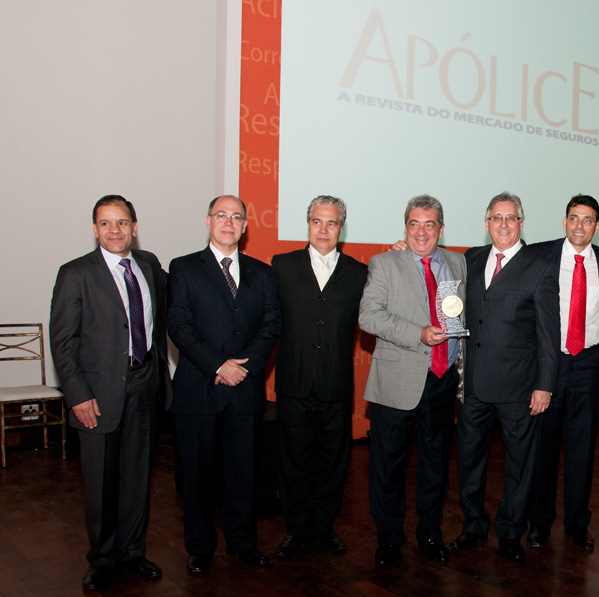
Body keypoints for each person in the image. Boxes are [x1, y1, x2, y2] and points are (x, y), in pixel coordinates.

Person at [50, 195, 171, 592]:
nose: (114, 230)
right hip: (97, 396)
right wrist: (77, 396)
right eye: (105, 223)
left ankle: (133, 553)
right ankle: (102, 561)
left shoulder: (149, 265)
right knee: (101, 484)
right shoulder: (75, 274)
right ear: (94, 229)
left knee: (137, 479)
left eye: (122, 222)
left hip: (144, 387)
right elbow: (63, 343)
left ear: (134, 227)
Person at [168, 194, 281, 576]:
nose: (229, 223)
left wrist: (243, 368)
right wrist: (218, 365)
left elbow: (271, 325)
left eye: (236, 217)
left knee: (243, 473)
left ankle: (242, 544)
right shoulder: (183, 268)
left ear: (246, 226)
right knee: (197, 475)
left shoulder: (262, 273)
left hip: (245, 390)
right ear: (208, 221)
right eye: (222, 215)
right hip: (199, 389)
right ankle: (200, 549)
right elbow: (179, 325)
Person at [450, 192, 559, 561]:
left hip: (519, 388)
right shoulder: (471, 259)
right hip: (474, 386)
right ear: (487, 223)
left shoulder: (539, 267)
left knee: (520, 465)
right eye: (496, 217)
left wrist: (545, 385)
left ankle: (511, 532)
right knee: (469, 460)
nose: (503, 224)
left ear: (521, 223)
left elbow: (549, 333)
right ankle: (473, 526)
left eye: (511, 218)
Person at [359, 195, 463, 567]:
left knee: (435, 466)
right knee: (388, 468)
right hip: (396, 382)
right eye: (414, 224)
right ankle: (389, 540)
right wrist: (416, 333)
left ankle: (430, 534)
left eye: (429, 224)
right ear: (405, 227)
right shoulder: (384, 263)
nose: (421, 232)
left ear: (441, 229)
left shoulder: (458, 263)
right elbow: (369, 317)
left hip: (442, 381)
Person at [271, 195, 365, 560]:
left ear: (342, 228)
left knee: (333, 464)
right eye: (317, 221)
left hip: (336, 386)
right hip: (293, 384)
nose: (323, 229)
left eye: (332, 223)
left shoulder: (359, 273)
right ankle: (296, 531)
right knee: (293, 462)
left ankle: (325, 529)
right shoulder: (282, 266)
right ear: (308, 224)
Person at [526, 195, 599, 553]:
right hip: (550, 364)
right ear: (565, 221)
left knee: (583, 450)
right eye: (574, 218)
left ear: (597, 226)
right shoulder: (539, 255)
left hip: (590, 365)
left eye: (588, 219)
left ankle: (578, 525)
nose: (580, 226)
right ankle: (539, 523)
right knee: (544, 450)